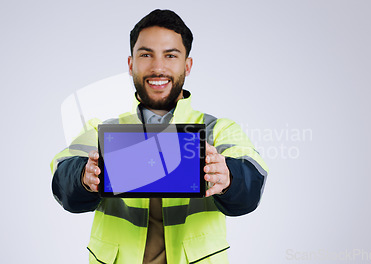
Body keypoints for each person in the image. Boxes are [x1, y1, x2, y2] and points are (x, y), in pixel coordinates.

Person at [51, 9, 268, 264]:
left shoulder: (218, 129)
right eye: (146, 55)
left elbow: (253, 181)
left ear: (187, 65)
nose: (158, 67)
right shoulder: (103, 131)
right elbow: (62, 176)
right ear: (131, 64)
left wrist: (230, 178)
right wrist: (83, 177)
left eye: (170, 55)